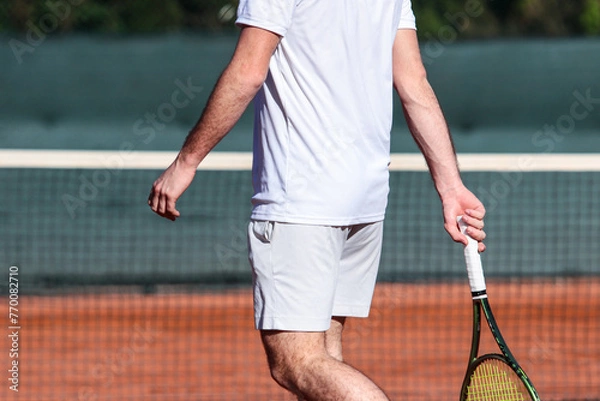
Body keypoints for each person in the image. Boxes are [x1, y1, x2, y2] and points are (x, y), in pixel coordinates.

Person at [148, 0, 486, 399]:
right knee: (325, 356)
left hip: (302, 198)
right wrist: (450, 186)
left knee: (297, 361)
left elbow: (247, 73)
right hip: (365, 199)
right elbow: (414, 82)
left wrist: (187, 161)